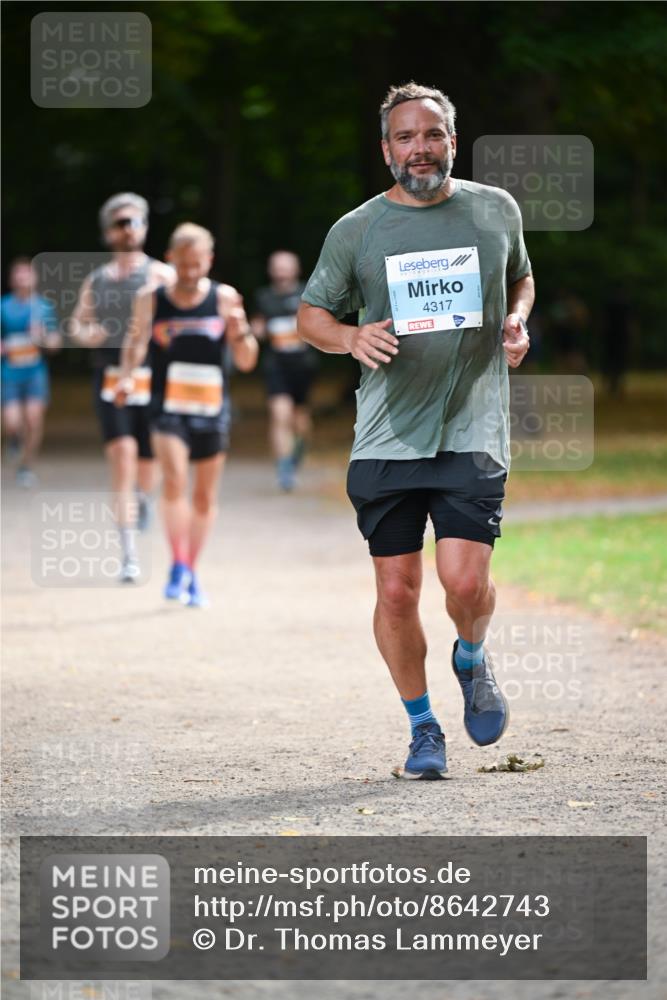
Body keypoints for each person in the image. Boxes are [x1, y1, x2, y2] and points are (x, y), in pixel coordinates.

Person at [298, 82, 534, 780]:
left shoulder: (494, 210)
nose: (419, 148)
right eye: (405, 137)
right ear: (385, 150)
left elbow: (520, 276)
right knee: (397, 592)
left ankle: (471, 655)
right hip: (386, 435)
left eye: (431, 134)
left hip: (472, 423)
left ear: (451, 141)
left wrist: (517, 319)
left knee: (462, 584)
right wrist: (348, 337)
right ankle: (422, 729)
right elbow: (311, 315)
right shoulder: (357, 229)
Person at [116, 223, 258, 607]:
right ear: (170, 260)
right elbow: (134, 342)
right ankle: (178, 562)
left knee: (203, 495)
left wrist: (241, 330)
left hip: (212, 409)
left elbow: (246, 361)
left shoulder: (225, 298)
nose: (191, 273)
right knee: (175, 480)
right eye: (184, 266)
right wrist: (128, 377)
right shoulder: (151, 299)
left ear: (209, 261)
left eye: (198, 265)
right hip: (167, 406)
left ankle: (191, 569)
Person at [70, 193, 173, 582]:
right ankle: (128, 553)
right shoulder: (96, 280)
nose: (127, 229)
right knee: (122, 457)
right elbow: (77, 325)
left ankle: (144, 500)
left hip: (152, 379)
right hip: (111, 376)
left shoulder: (161, 275)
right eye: (120, 223)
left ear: (145, 227)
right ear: (108, 232)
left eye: (134, 221)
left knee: (150, 466)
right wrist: (88, 333)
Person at [251, 251, 318, 491]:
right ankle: (284, 469)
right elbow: (258, 325)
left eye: (285, 267)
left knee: (300, 421)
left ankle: (297, 454)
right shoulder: (264, 297)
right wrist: (254, 331)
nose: (281, 272)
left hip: (302, 366)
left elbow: (319, 324)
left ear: (295, 269)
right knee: (280, 415)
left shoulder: (307, 294)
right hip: (276, 365)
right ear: (271, 270)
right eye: (277, 267)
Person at [1, 257, 61, 486]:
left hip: (35, 373)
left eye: (27, 274)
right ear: (12, 279)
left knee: (34, 419)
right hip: (9, 372)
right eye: (18, 274)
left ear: (34, 279)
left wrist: (43, 338)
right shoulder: (3, 307)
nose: (22, 278)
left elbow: (56, 343)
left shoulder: (44, 308)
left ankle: (26, 467)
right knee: (12, 421)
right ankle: (13, 439)